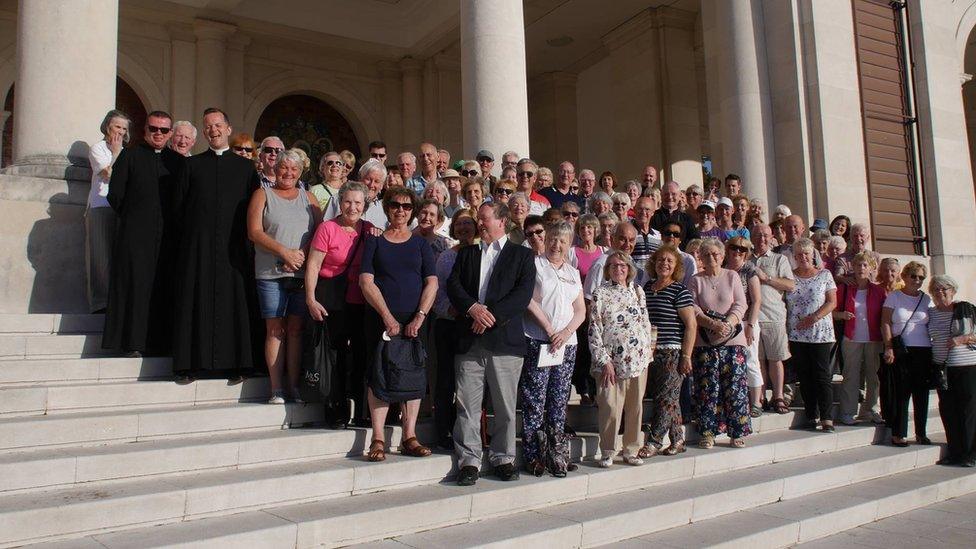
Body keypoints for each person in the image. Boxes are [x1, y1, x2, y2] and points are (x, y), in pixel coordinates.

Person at [447, 201, 536, 486]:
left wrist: (489, 316)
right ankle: (469, 461)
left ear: (502, 221)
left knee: (505, 407)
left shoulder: (522, 256)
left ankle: (503, 457)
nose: (479, 224)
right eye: (478, 219)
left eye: (484, 219)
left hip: (504, 344)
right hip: (469, 342)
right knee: (467, 406)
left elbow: (521, 296)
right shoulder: (468, 253)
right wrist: (473, 308)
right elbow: (454, 286)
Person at [171, 108, 262, 382]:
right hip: (198, 249)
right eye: (208, 126)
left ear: (228, 129)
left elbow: (255, 210)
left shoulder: (246, 168)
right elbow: (178, 209)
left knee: (235, 303)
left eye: (218, 125)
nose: (214, 130)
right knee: (194, 302)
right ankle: (190, 365)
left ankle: (238, 364)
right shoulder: (192, 166)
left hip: (234, 249)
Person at [359, 187, 438, 461]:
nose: (401, 210)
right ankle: (378, 438)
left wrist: (419, 316)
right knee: (379, 376)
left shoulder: (420, 244)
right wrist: (387, 316)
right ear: (387, 208)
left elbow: (432, 282)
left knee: (414, 375)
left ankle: (409, 436)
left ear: (412, 212)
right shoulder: (375, 242)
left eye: (406, 206)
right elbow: (366, 281)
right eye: (395, 205)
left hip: (415, 322)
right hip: (381, 321)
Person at [103, 110, 185, 357]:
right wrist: (135, 220)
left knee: (163, 287)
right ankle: (133, 343)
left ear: (170, 133)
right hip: (136, 236)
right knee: (136, 288)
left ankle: (162, 343)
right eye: (153, 129)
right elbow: (115, 195)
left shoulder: (179, 163)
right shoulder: (129, 157)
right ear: (144, 130)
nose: (158, 134)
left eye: (163, 130)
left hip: (169, 238)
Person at [247, 149, 320, 403]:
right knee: (275, 329)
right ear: (275, 169)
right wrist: (284, 252)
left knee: (296, 329)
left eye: (294, 170)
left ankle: (294, 386)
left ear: (300, 173)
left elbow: (320, 233)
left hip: (301, 275)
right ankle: (276, 388)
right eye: (283, 168)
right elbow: (254, 232)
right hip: (270, 273)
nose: (288, 173)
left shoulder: (308, 198)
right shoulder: (262, 194)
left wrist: (300, 255)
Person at [305, 181, 374, 428]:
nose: (352, 207)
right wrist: (310, 299)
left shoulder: (369, 230)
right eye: (347, 201)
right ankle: (335, 407)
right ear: (340, 202)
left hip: (359, 302)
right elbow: (313, 264)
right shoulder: (327, 228)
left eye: (357, 202)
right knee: (333, 355)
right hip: (330, 299)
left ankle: (361, 409)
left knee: (358, 354)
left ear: (364, 205)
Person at [520, 221, 586, 476]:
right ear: (545, 240)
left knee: (558, 399)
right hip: (539, 339)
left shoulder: (571, 272)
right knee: (535, 398)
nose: (557, 245)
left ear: (569, 245)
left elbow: (580, 310)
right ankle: (533, 454)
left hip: (566, 345)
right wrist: (549, 330)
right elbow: (528, 300)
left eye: (563, 241)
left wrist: (566, 332)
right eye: (553, 239)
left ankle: (556, 453)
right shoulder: (535, 265)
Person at [589, 251, 655, 467]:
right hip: (610, 362)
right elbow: (595, 329)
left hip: (637, 360)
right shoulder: (601, 293)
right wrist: (604, 360)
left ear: (629, 269)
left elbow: (645, 322)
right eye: (614, 265)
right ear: (608, 269)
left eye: (623, 266)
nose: (619, 269)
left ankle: (631, 449)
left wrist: (648, 352)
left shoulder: (637, 291)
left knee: (635, 406)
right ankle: (608, 450)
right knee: (609, 406)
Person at [688, 238, 751, 448]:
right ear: (701, 258)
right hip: (705, 343)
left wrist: (728, 323)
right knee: (707, 390)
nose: (711, 258)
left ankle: (737, 432)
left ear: (722, 256)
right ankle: (707, 432)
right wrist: (712, 324)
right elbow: (693, 308)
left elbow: (741, 304)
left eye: (715, 254)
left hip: (733, 342)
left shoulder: (732, 276)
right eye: (706, 255)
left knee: (735, 388)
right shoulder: (696, 280)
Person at [641, 245, 696, 457]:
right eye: (660, 260)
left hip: (672, 352)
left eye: (669, 261)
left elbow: (691, 325)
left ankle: (654, 441)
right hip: (650, 352)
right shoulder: (647, 287)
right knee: (668, 397)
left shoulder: (679, 290)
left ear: (676, 267)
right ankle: (678, 439)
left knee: (665, 398)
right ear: (654, 263)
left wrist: (686, 355)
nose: (664, 264)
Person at [431, 209, 479, 448]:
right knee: (446, 381)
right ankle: (443, 431)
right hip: (449, 325)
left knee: (470, 382)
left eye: (468, 223)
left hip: (474, 327)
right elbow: (437, 291)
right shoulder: (446, 257)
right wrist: (449, 309)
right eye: (459, 224)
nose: (463, 228)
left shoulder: (483, 253)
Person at [785, 237, 838, 431]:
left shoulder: (825, 275)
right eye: (798, 255)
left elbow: (832, 302)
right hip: (797, 334)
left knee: (822, 376)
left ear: (812, 254)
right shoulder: (790, 277)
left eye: (806, 254)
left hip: (820, 333)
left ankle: (827, 417)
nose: (803, 258)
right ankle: (811, 414)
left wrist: (814, 317)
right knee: (805, 376)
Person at [881, 261, 932, 446]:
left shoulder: (926, 299)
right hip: (902, 350)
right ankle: (899, 433)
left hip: (924, 349)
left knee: (922, 393)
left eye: (921, 278)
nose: (917, 280)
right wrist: (888, 347)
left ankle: (921, 433)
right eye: (913, 276)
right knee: (902, 392)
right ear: (905, 276)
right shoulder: (894, 296)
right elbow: (885, 322)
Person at [928, 275, 976, 467]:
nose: (940, 292)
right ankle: (954, 452)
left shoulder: (966, 309)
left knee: (968, 410)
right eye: (936, 289)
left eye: (944, 289)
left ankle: (970, 453)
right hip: (943, 369)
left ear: (953, 291)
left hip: (967, 366)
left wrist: (962, 339)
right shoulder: (931, 313)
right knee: (948, 410)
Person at [833, 252, 885, 425]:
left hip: (874, 339)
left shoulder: (879, 290)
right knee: (850, 376)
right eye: (858, 265)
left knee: (874, 377)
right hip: (851, 338)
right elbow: (831, 312)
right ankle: (847, 412)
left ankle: (870, 410)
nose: (861, 268)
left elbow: (886, 316)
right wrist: (841, 315)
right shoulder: (845, 289)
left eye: (865, 265)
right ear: (852, 267)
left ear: (871, 268)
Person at [87, 109, 130, 314]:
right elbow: (109, 174)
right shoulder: (98, 148)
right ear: (107, 127)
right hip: (101, 206)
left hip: (121, 207)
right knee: (101, 256)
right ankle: (101, 303)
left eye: (124, 128)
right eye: (117, 126)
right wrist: (115, 153)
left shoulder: (127, 151)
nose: (120, 131)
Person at [749, 224, 795, 414]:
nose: (762, 239)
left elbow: (790, 285)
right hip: (753, 318)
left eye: (766, 235)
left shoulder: (779, 259)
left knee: (776, 359)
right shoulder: (746, 258)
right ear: (752, 237)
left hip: (774, 316)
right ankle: (760, 397)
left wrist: (766, 278)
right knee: (758, 360)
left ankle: (778, 396)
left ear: (772, 238)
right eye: (758, 235)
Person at [724, 236, 764, 418]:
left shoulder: (749, 270)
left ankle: (756, 401)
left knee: (751, 359)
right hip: (728, 321)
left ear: (746, 253)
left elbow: (756, 300)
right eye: (734, 247)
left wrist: (750, 325)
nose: (737, 252)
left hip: (747, 320)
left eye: (742, 249)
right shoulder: (723, 267)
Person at [571, 214, 607, 406]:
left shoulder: (604, 251)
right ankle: (584, 391)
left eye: (590, 228)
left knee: (596, 351)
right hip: (581, 307)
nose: (587, 231)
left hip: (600, 309)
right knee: (584, 352)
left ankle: (595, 390)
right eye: (583, 228)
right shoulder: (572, 252)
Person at [583, 222, 641, 300]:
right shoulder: (601, 264)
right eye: (623, 239)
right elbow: (589, 298)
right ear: (612, 239)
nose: (627, 244)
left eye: (631, 240)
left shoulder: (631, 262)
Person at [652, 181, 699, 245]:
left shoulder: (687, 218)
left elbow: (694, 241)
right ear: (661, 195)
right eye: (666, 194)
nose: (670, 197)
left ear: (679, 196)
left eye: (673, 194)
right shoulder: (653, 216)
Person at [660, 222, 697, 287]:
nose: (671, 236)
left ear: (680, 240)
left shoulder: (688, 260)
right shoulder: (653, 258)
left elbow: (691, 286)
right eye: (668, 233)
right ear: (662, 236)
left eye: (676, 234)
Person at [631, 196, 662, 268]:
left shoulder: (658, 236)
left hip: (653, 278)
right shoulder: (628, 233)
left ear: (653, 212)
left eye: (647, 209)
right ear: (634, 210)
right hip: (633, 278)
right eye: (640, 209)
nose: (643, 212)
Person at [358, 159, 389, 228]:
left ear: (381, 186)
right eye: (368, 179)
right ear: (360, 180)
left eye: (377, 181)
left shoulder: (385, 210)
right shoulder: (340, 200)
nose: (371, 185)